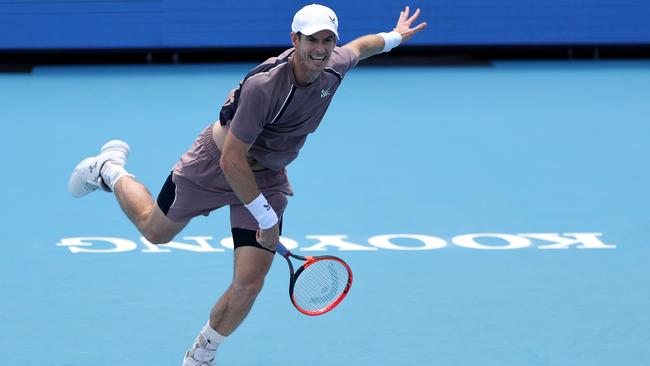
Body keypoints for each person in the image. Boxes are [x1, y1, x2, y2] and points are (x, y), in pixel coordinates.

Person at [68, 4, 426, 365]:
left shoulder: (335, 63)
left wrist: (394, 37)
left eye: (328, 39)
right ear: (294, 40)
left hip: (267, 175)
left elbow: (362, 47)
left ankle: (201, 355)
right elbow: (231, 160)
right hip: (213, 166)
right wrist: (266, 219)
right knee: (155, 231)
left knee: (250, 282)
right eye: (312, 40)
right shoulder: (265, 86)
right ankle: (109, 170)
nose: (320, 48)